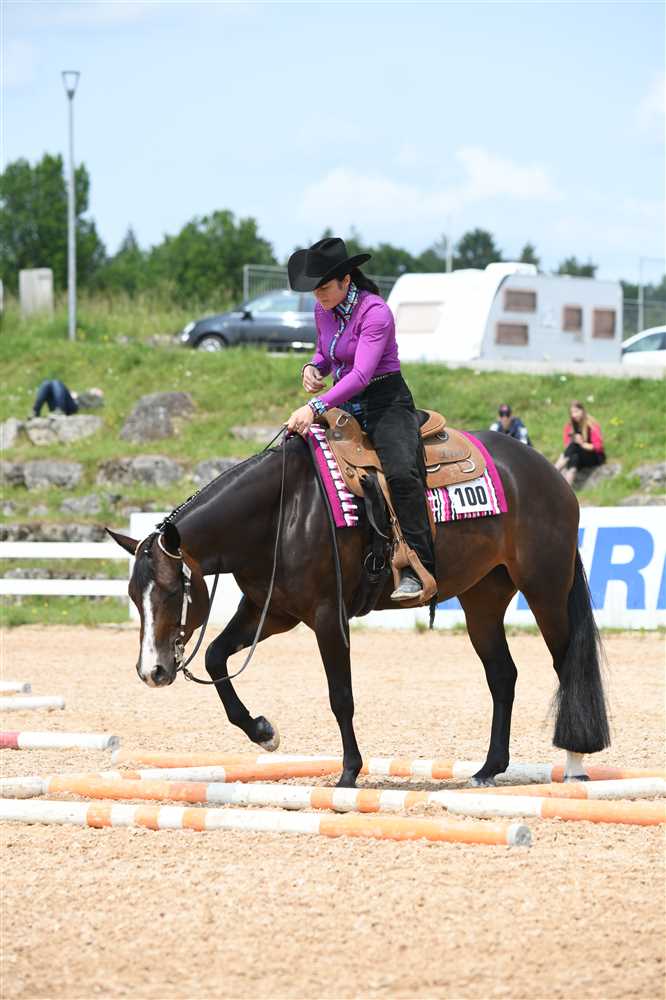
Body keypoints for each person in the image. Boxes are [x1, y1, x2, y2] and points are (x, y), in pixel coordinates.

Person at [286, 237, 434, 601]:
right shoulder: (323, 309)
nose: (318, 295)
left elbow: (362, 374)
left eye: (323, 287)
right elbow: (327, 353)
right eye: (314, 289)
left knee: (401, 474)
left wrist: (315, 406)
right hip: (345, 404)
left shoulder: (375, 312)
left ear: (346, 280)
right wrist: (311, 367)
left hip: (386, 402)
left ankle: (419, 565)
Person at [554, 400, 605, 486]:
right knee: (574, 457)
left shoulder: (591, 424)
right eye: (572, 413)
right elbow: (567, 446)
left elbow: (598, 447)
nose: (574, 415)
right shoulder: (569, 426)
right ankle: (567, 488)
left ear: (582, 410)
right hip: (578, 456)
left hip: (594, 457)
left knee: (574, 446)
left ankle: (554, 470)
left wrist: (582, 444)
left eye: (576, 412)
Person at [32, 380, 104, 417]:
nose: (94, 389)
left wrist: (77, 397)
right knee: (47, 383)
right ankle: (35, 411)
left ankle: (60, 410)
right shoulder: (84, 394)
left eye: (97, 390)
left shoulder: (98, 399)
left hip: (73, 408)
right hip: (63, 404)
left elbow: (91, 406)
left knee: (56, 382)